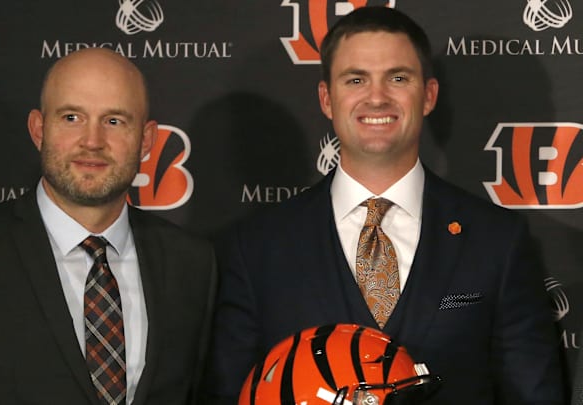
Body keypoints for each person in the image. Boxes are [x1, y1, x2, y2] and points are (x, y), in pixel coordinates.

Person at [205, 7, 563, 405]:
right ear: (327, 98)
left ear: (428, 95)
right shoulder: (255, 247)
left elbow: (535, 395)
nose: (376, 97)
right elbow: (230, 395)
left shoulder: (497, 241)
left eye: (398, 78)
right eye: (356, 79)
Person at [0, 48, 216, 405]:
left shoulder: (190, 263)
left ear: (146, 140)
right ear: (39, 129)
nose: (93, 141)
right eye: (71, 117)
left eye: (114, 121)